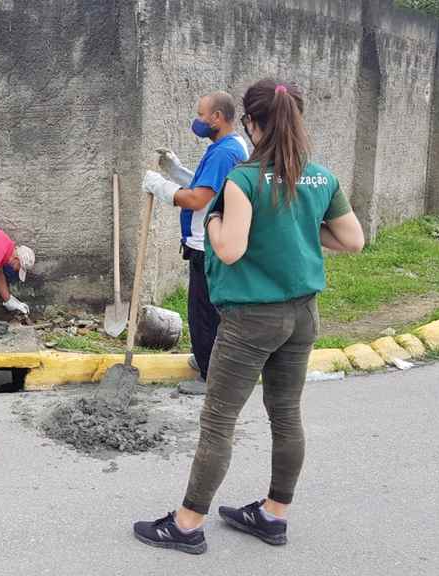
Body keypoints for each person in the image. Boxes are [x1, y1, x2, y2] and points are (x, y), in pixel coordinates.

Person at [133, 79, 365, 555]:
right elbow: (352, 240)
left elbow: (229, 250)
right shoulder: (320, 177)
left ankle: (187, 525)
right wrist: (302, 228)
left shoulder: (244, 179)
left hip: (252, 320)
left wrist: (215, 220)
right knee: (286, 414)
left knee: (219, 419)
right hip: (302, 316)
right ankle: (274, 516)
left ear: (252, 124)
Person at [143, 91, 250, 395]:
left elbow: (198, 198)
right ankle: (210, 359)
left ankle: (209, 375)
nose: (197, 120)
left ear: (217, 117)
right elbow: (209, 186)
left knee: (203, 313)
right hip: (215, 240)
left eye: (201, 114)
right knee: (212, 310)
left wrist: (160, 187)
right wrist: (175, 171)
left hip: (207, 245)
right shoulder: (231, 145)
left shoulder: (223, 153)